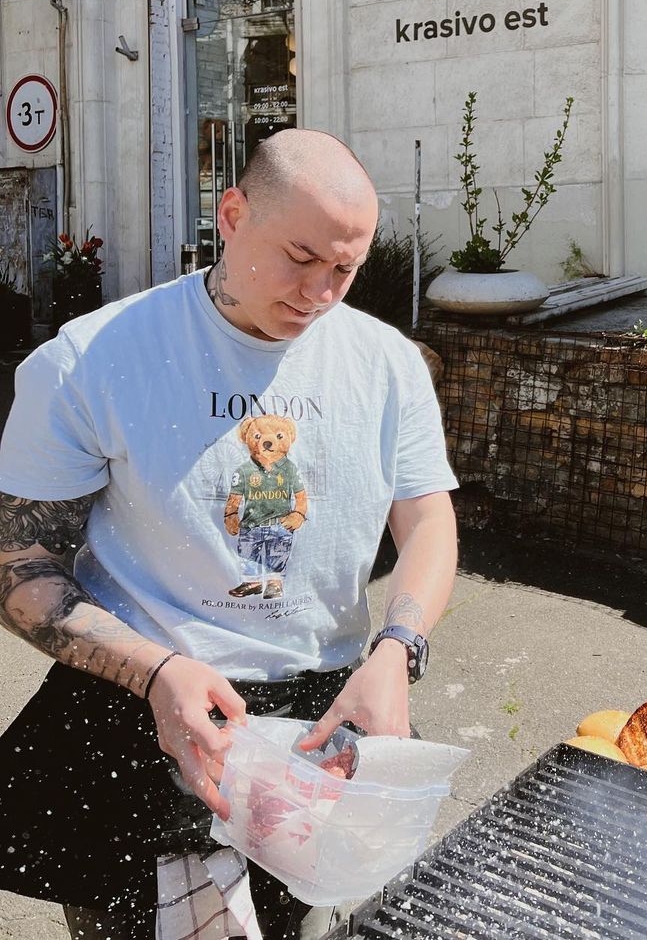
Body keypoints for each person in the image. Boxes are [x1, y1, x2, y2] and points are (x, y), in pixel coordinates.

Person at [0, 129, 459, 940]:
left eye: (344, 270)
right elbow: (21, 567)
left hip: (321, 719)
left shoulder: (387, 365)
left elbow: (427, 521)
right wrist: (156, 672)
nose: (319, 293)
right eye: (300, 257)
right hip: (138, 710)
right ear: (234, 215)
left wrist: (397, 650)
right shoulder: (90, 362)